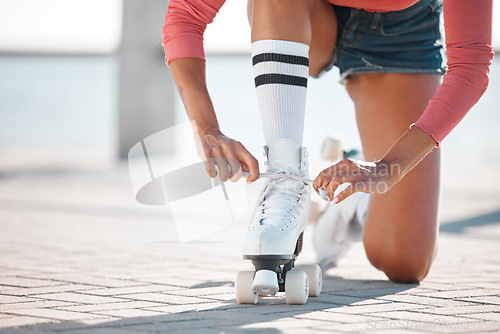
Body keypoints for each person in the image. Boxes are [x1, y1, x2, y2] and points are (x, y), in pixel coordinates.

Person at [162, 0, 494, 284]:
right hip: (307, 14)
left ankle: (346, 204)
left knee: (405, 260)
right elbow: (186, 15)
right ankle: (285, 177)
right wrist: (207, 128)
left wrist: (386, 169)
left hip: (405, 33)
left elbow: (471, 66)